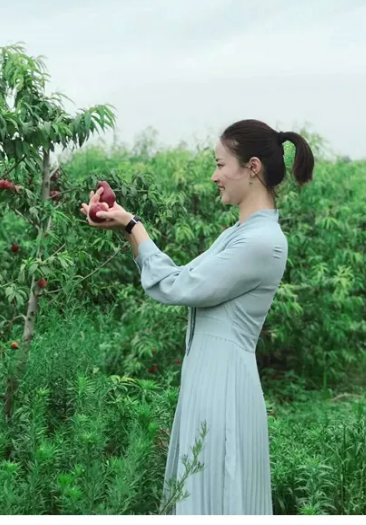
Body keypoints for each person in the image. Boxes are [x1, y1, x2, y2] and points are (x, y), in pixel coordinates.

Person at [82, 119, 315, 515]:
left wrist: (132, 225)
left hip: (224, 385)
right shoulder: (238, 234)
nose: (214, 176)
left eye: (221, 164)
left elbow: (178, 286)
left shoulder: (261, 242)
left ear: (252, 167)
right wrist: (127, 225)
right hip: (209, 378)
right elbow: (181, 279)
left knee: (218, 491)